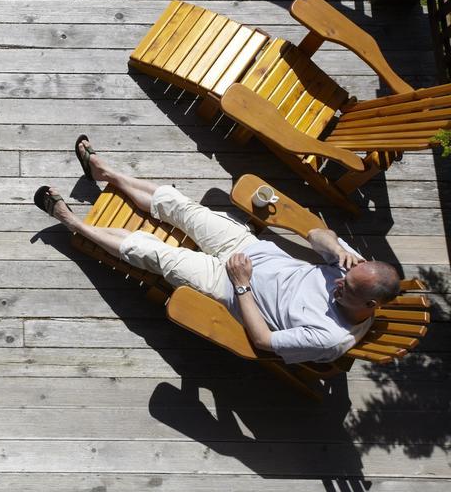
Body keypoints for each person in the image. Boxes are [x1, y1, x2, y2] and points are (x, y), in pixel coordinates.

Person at [34, 136, 401, 364]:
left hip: (230, 288)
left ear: (371, 305)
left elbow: (263, 341)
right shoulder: (352, 269)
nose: (339, 283)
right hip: (251, 249)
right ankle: (108, 174)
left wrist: (241, 285)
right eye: (346, 277)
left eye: (347, 289)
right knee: (184, 208)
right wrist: (335, 247)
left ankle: (74, 224)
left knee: (157, 254)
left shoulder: (330, 337)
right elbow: (317, 233)